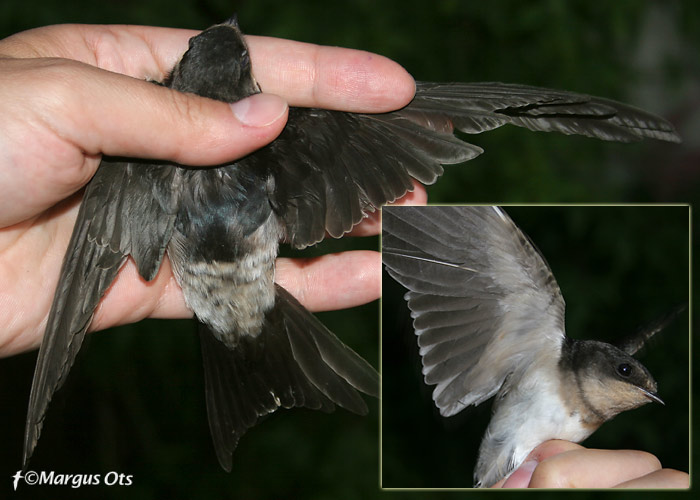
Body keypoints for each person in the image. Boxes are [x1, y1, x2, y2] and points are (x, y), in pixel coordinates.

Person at [0, 23, 688, 489]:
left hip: (215, 276)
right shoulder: (193, 144)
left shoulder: (134, 161)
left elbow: (86, 263)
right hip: (240, 277)